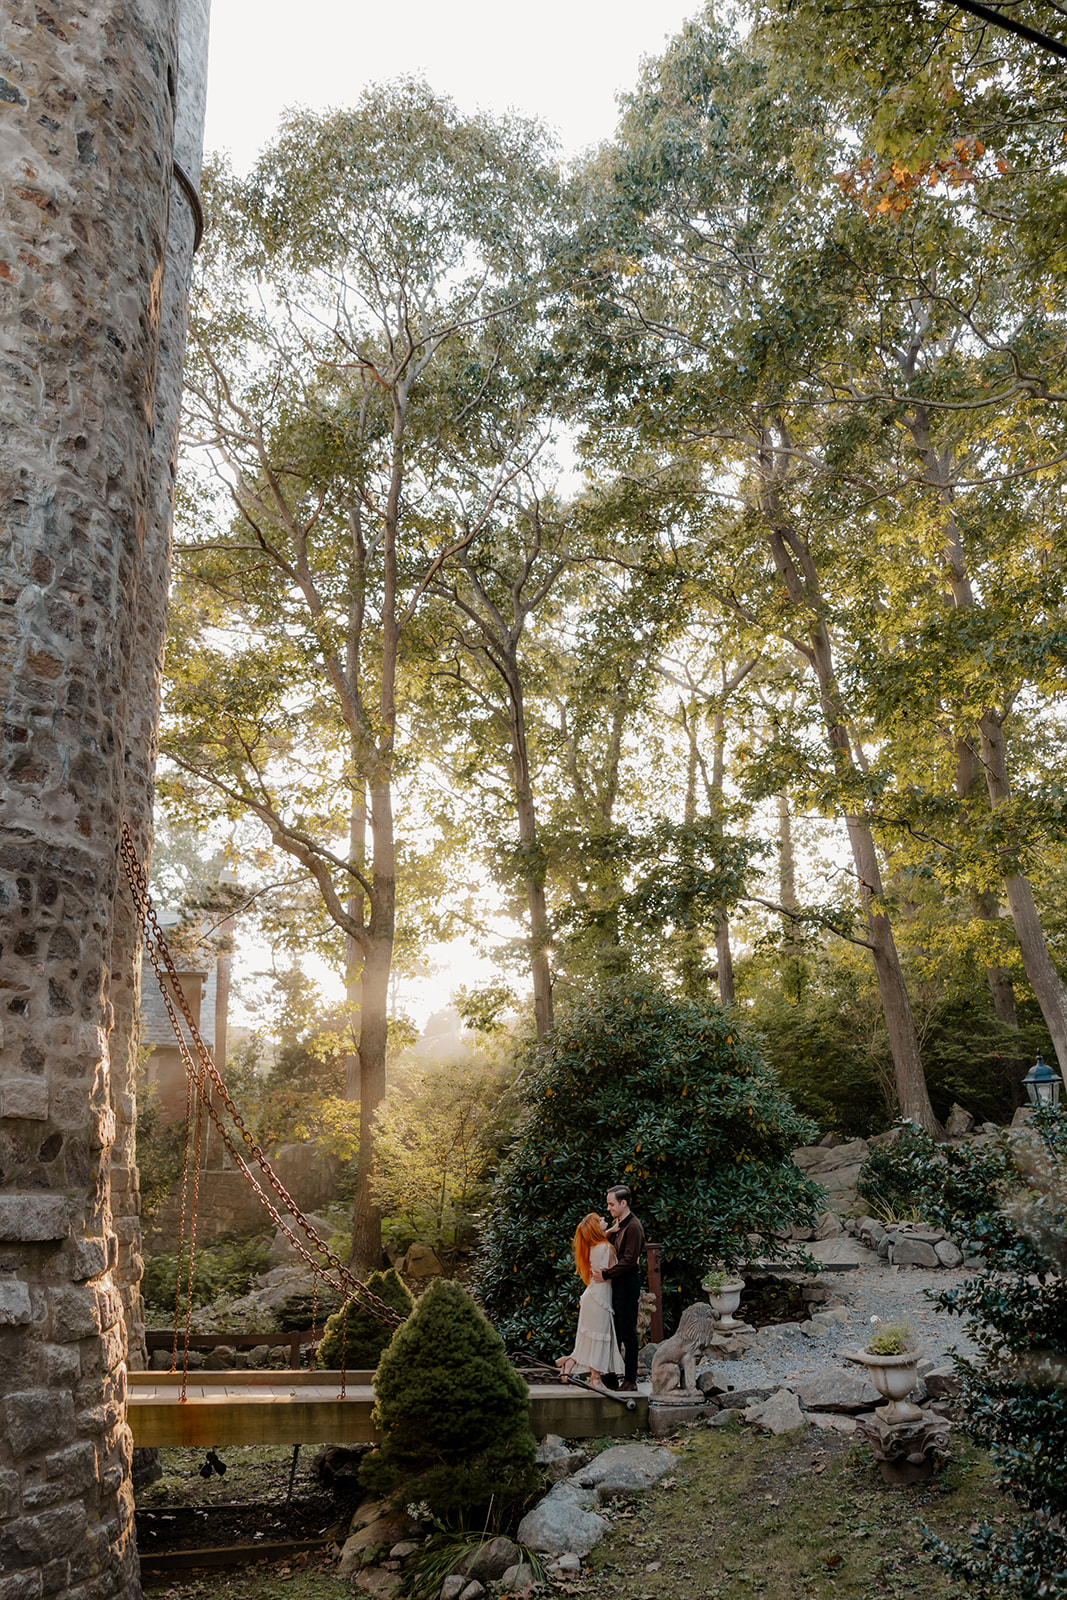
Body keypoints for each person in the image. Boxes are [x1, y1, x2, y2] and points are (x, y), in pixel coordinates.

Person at [556, 1213, 624, 1389]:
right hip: (600, 1298)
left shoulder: (589, 1247)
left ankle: (570, 1362)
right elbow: (615, 1271)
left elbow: (597, 1243)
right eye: (600, 1220)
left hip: (591, 1297)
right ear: (595, 1228)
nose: (603, 1219)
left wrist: (608, 1231)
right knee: (599, 1337)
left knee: (590, 1337)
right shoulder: (607, 1248)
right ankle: (595, 1379)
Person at [591, 1183, 645, 1391]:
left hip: (627, 1284)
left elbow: (630, 1261)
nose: (608, 1208)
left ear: (623, 1203)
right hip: (616, 1284)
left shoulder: (633, 1227)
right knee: (612, 1329)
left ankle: (630, 1380)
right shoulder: (617, 1224)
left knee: (628, 1333)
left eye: (611, 1204)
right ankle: (611, 1376)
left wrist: (605, 1274)